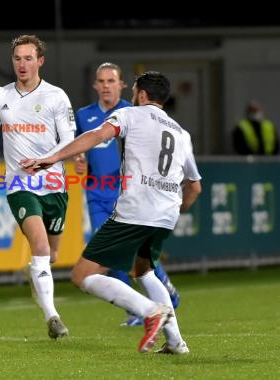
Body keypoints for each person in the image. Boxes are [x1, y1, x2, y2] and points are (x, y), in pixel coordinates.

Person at [22, 71, 202, 354]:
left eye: (134, 92)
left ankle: (150, 311)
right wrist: (172, 213)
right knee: (143, 271)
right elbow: (194, 187)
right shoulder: (182, 133)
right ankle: (176, 342)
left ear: (142, 95)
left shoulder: (131, 114)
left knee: (83, 275)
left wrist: (52, 158)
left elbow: (95, 136)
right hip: (165, 215)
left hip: (135, 211)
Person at [0, 34, 75, 339]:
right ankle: (52, 317)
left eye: (28, 58)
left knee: (52, 255)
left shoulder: (56, 96)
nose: (22, 64)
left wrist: (45, 161)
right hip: (19, 183)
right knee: (40, 246)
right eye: (17, 58)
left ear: (40, 61)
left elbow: (69, 139)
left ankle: (37, 276)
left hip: (55, 182)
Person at [74, 62, 180, 327]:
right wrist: (79, 160)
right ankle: (140, 309)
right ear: (95, 85)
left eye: (111, 81)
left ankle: (161, 289)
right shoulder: (83, 115)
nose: (106, 86)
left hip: (128, 194)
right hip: (97, 193)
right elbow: (80, 145)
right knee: (109, 255)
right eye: (101, 81)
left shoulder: (134, 112)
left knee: (134, 255)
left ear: (121, 85)